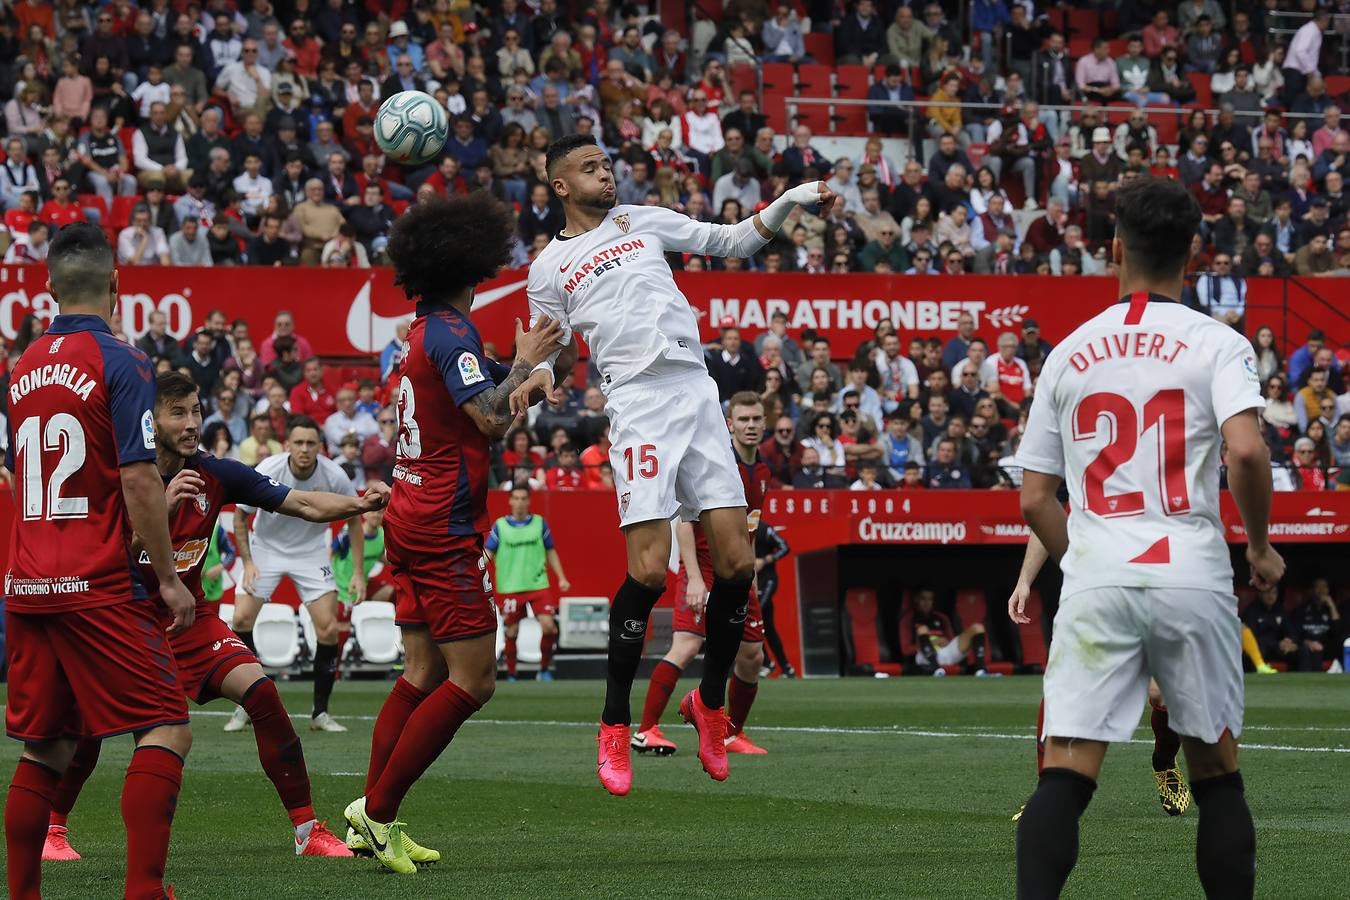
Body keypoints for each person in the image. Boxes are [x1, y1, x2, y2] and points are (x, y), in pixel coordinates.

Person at [512, 134, 833, 797]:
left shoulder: (643, 221)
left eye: (608, 164)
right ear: (562, 187)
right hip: (637, 404)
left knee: (738, 564)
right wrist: (539, 374)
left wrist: (792, 200)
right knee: (651, 571)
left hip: (696, 392)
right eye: (591, 168)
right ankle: (612, 724)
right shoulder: (548, 267)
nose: (608, 173)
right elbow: (555, 350)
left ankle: (710, 708)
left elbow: (735, 240)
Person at [1013, 176, 1284, 898]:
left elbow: (1036, 497)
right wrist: (1257, 546)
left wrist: (1087, 561)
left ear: (1113, 250)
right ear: (1191, 254)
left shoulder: (1066, 353)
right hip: (1189, 571)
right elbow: (1248, 452)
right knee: (1218, 776)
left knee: (1065, 774)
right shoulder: (1217, 342)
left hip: (1100, 574)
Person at [42, 373, 388, 863]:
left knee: (263, 694)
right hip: (122, 619)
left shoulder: (216, 474)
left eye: (196, 411)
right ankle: (53, 829)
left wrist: (357, 503)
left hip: (190, 619)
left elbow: (303, 502)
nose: (191, 424)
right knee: (89, 726)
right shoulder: (116, 475)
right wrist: (156, 510)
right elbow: (101, 562)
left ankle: (308, 830)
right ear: (152, 420)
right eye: (177, 413)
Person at [343, 193, 564, 875]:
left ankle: (368, 818)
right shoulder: (452, 333)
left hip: (412, 512)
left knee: (422, 672)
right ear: (473, 264)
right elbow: (491, 420)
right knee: (475, 681)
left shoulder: (422, 333)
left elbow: (486, 395)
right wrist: (526, 362)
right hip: (441, 522)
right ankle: (377, 814)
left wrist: (527, 375)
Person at [2, 223, 195, 900]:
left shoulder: (22, 367)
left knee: (46, 746)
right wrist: (168, 579)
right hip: (95, 579)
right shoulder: (122, 360)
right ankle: (144, 890)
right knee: (167, 724)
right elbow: (140, 480)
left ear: (49, 286)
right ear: (116, 284)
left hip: (27, 584)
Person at [633, 392, 778, 757]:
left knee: (752, 656)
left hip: (738, 570)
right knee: (686, 645)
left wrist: (752, 572)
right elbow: (685, 521)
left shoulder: (762, 471)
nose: (750, 426)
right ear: (729, 423)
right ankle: (647, 730)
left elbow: (751, 528)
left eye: (756, 419)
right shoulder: (716, 462)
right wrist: (694, 578)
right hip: (704, 566)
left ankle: (731, 733)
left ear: (765, 423)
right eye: (743, 419)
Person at [227, 416, 367, 734]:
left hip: (312, 551)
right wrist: (247, 562)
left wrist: (358, 572)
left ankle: (320, 713)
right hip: (266, 549)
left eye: (310, 443)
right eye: (299, 443)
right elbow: (240, 515)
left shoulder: (334, 475)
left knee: (328, 629)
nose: (304, 449)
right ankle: (246, 703)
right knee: (241, 619)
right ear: (287, 444)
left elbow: (355, 520)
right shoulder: (267, 470)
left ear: (320, 446)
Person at [485, 486, 572, 681]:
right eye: (516, 498)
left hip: (538, 584)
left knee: (549, 627)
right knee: (512, 630)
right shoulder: (500, 526)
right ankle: (512, 673)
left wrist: (562, 577)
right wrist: (473, 569)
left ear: (529, 501)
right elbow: (488, 553)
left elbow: (551, 551)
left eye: (523, 498)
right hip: (511, 587)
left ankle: (543, 669)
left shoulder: (540, 524)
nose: (520, 502)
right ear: (510, 501)